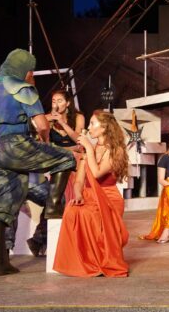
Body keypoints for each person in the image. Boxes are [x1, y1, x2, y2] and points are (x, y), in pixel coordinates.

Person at [0, 49, 76, 275]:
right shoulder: (22, 87)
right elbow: (41, 124)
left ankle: (0, 264)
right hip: (15, 144)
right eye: (32, 72)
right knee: (66, 158)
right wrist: (45, 140)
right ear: (25, 70)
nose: (33, 77)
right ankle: (53, 206)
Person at [4, 89, 84, 257]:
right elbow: (46, 148)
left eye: (60, 101)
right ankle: (5, 248)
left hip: (61, 166)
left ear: (68, 103)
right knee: (12, 201)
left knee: (56, 199)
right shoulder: (42, 122)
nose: (56, 104)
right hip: (31, 173)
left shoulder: (76, 117)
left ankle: (38, 239)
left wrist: (62, 123)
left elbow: (80, 143)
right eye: (54, 101)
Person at [53, 111, 130, 277]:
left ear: (104, 128)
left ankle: (100, 261)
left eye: (92, 124)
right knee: (72, 211)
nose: (88, 128)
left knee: (88, 214)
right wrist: (78, 194)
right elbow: (79, 180)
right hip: (89, 195)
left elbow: (96, 174)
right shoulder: (88, 150)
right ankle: (84, 262)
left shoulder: (115, 150)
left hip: (107, 198)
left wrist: (88, 147)